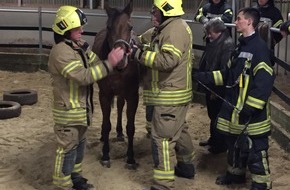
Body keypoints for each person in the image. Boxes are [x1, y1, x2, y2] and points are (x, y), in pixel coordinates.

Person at [193, 7, 274, 190]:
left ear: (249, 22)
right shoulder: (241, 46)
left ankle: (261, 185)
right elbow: (228, 74)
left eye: (239, 19)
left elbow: (263, 84)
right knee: (235, 146)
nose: (235, 22)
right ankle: (235, 175)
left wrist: (250, 108)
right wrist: (205, 77)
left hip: (252, 117)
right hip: (236, 113)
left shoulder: (260, 50)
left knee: (256, 152)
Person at [48, 5, 125, 190]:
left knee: (79, 148)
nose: (82, 30)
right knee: (66, 150)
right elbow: (84, 77)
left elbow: (96, 63)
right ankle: (62, 185)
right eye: (77, 28)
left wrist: (112, 60)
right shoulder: (60, 52)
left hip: (80, 110)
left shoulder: (77, 47)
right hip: (68, 112)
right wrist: (110, 63)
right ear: (65, 29)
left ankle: (75, 178)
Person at [131, 0, 195, 189]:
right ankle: (186, 166)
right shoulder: (170, 27)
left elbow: (168, 60)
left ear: (166, 11)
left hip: (169, 95)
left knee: (163, 140)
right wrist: (136, 40)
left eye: (155, 11)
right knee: (179, 130)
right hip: (177, 94)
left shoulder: (173, 30)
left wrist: (138, 55)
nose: (152, 14)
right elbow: (149, 39)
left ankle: (163, 184)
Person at [197, 18, 234, 154]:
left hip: (218, 89)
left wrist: (215, 88)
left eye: (210, 32)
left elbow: (225, 72)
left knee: (219, 116)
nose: (208, 35)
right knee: (212, 115)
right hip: (210, 84)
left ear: (218, 31)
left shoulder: (227, 45)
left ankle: (220, 145)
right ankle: (213, 140)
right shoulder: (213, 42)